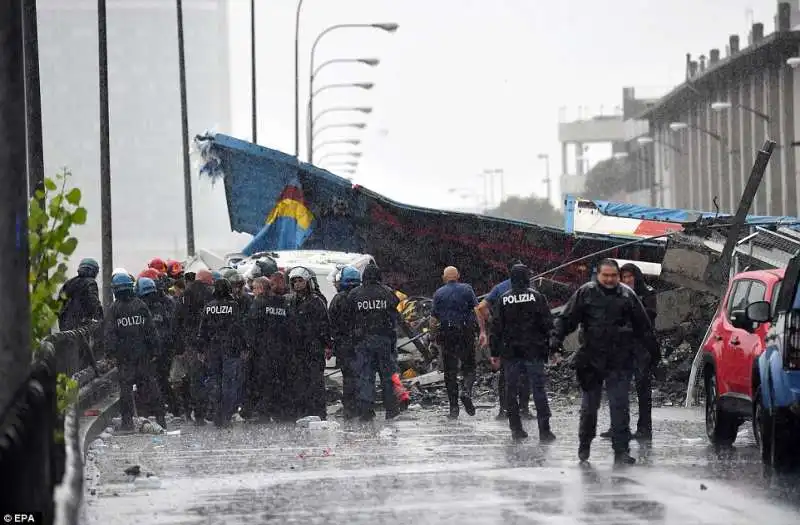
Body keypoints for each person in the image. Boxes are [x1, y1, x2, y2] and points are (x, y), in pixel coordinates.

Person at [551, 259, 657, 466]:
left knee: (620, 406)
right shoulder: (585, 293)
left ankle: (621, 450)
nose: (610, 280)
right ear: (597, 275)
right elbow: (566, 320)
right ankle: (585, 445)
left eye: (613, 276)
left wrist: (653, 354)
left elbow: (643, 326)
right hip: (591, 358)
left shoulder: (628, 295)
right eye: (605, 276)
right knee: (590, 407)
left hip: (620, 360)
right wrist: (555, 341)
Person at [489, 264, 557, 441]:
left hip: (511, 353)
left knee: (511, 390)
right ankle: (545, 430)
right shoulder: (537, 297)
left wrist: (494, 353)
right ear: (527, 278)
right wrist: (553, 348)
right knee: (539, 389)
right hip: (534, 350)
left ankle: (516, 429)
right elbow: (547, 324)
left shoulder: (503, 299)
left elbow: (496, 328)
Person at [600, 263, 659, 441]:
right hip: (621, 347)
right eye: (623, 277)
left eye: (629, 277)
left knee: (642, 389)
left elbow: (650, 316)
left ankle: (644, 429)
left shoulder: (647, 293)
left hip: (641, 346)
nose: (627, 280)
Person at [104, 273, 165, 430]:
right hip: (142, 354)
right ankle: (159, 417)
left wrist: (110, 353)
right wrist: (155, 350)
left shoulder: (114, 309)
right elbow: (151, 330)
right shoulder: (140, 306)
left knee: (125, 390)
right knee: (150, 386)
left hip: (124, 357)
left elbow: (109, 333)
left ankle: (127, 421)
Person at [475, 259, 532, 420]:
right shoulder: (530, 289)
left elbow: (481, 307)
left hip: (507, 338)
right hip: (527, 338)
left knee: (505, 375)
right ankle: (524, 410)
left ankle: (504, 410)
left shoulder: (500, 289)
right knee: (525, 374)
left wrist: (491, 321)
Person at [344, 264, 401, 421]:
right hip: (384, 340)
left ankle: (366, 410)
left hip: (363, 341)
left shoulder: (355, 294)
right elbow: (394, 313)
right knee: (387, 375)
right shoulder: (387, 292)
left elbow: (349, 317)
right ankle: (391, 409)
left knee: (365, 375)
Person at [431, 266, 479, 419]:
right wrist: (481, 331)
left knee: (450, 372)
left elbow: (433, 320)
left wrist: (432, 338)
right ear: (458, 276)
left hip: (447, 334)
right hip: (466, 333)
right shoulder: (467, 289)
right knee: (469, 367)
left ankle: (453, 409)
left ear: (444, 278)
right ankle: (466, 391)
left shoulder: (439, 293)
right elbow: (477, 309)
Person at [245, 276, 295, 421]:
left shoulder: (258, 303)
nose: (253, 291)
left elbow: (251, 327)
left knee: (263, 383)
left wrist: (250, 347)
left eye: (254, 288)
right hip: (281, 350)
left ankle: (264, 413)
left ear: (260, 288)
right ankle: (279, 412)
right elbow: (290, 325)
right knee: (279, 381)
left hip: (263, 351)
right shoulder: (281, 303)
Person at [198, 278, 246, 427]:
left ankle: (216, 412)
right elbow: (239, 329)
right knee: (230, 383)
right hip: (231, 349)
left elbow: (202, 331)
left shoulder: (208, 307)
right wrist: (244, 347)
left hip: (213, 350)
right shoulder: (234, 306)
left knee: (215, 382)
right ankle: (227, 414)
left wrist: (201, 349)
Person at [287, 267, 331, 420]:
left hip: (313, 347)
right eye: (295, 282)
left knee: (315, 382)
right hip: (296, 349)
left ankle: (318, 413)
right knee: (299, 382)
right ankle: (302, 412)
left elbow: (324, 324)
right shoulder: (291, 301)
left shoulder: (316, 301)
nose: (298, 284)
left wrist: (327, 345)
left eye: (300, 281)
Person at [174, 268, 214, 423]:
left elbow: (176, 322)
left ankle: (197, 412)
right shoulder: (210, 296)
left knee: (194, 378)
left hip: (190, 344)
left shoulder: (184, 297)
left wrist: (178, 347)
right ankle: (210, 409)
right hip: (209, 343)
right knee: (211, 377)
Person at [136, 277, 179, 417]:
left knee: (155, 380)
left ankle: (160, 409)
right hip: (159, 349)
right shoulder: (160, 305)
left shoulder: (147, 307)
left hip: (156, 350)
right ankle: (167, 408)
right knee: (160, 379)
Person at [328, 266, 363, 419]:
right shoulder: (361, 296)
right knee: (362, 376)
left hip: (344, 344)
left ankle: (350, 408)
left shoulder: (339, 299)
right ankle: (363, 406)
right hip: (361, 343)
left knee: (348, 377)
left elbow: (331, 322)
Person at [58, 258, 104, 331]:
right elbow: (94, 303)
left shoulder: (69, 283)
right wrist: (102, 319)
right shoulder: (90, 282)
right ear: (93, 271)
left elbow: (59, 304)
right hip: (80, 327)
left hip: (65, 326)